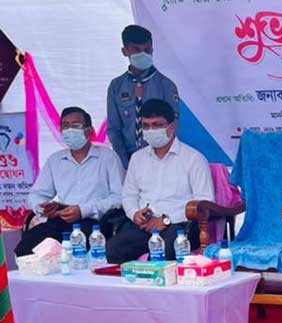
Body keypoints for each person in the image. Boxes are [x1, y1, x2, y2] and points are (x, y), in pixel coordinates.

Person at [106, 99, 212, 264]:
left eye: (156, 125)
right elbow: (128, 196)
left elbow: (205, 204)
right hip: (145, 225)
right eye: (146, 126)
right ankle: (128, 289)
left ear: (171, 126)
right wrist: (135, 214)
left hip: (179, 225)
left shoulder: (194, 159)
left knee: (166, 252)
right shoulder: (137, 158)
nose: (151, 130)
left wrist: (165, 220)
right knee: (113, 249)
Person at [16, 107, 124, 257]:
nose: (69, 130)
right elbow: (36, 194)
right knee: (26, 249)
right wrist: (43, 209)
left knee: (74, 255)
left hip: (94, 225)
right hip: (59, 222)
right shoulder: (55, 160)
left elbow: (119, 198)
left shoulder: (108, 158)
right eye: (65, 126)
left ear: (90, 130)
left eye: (76, 125)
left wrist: (83, 210)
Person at [107, 25, 179, 168]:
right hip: (128, 160)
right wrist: (124, 163)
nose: (143, 54)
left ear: (152, 50)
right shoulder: (116, 86)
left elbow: (173, 127)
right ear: (124, 51)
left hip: (160, 159)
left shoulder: (166, 85)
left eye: (146, 50)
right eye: (136, 50)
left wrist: (162, 160)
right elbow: (114, 129)